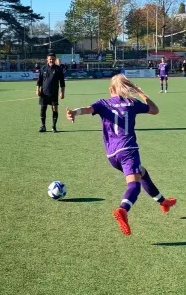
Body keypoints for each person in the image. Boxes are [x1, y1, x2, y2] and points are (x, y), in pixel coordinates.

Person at [66, 74, 177, 236]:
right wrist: (141, 93)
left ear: (110, 89)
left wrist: (74, 112)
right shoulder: (132, 103)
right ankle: (123, 210)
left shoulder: (103, 103)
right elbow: (155, 110)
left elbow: (87, 109)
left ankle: (163, 201)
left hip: (112, 156)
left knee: (142, 172)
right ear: (128, 89)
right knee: (134, 185)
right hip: (128, 150)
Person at [36, 53, 65, 133]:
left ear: (55, 59)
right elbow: (39, 81)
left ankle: (54, 126)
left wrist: (62, 92)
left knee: (54, 109)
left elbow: (62, 82)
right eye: (50, 59)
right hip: (44, 93)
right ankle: (43, 126)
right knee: (43, 109)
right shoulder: (43, 68)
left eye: (53, 59)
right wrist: (37, 89)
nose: (51, 60)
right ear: (47, 59)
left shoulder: (58, 69)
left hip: (54, 93)